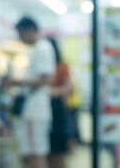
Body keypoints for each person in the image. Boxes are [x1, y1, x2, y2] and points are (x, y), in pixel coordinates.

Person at [4, 16, 55, 168]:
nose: (20, 38)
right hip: (35, 110)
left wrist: (16, 81)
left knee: (35, 153)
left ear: (30, 29)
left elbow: (44, 80)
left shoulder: (42, 48)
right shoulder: (40, 48)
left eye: (21, 33)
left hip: (34, 110)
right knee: (35, 152)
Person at [47, 37, 73, 168]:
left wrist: (54, 92)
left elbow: (69, 87)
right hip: (45, 109)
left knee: (57, 151)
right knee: (47, 151)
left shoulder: (61, 66)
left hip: (56, 109)